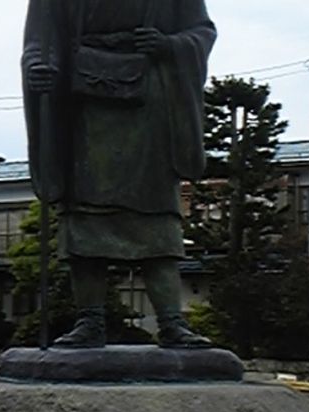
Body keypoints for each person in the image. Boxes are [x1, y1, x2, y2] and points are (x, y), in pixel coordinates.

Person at [23, 0, 216, 348]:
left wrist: (170, 45)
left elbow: (201, 31)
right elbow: (40, 40)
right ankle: (90, 322)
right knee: (85, 220)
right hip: (84, 107)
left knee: (156, 220)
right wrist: (38, 67)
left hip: (150, 103)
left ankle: (172, 323)